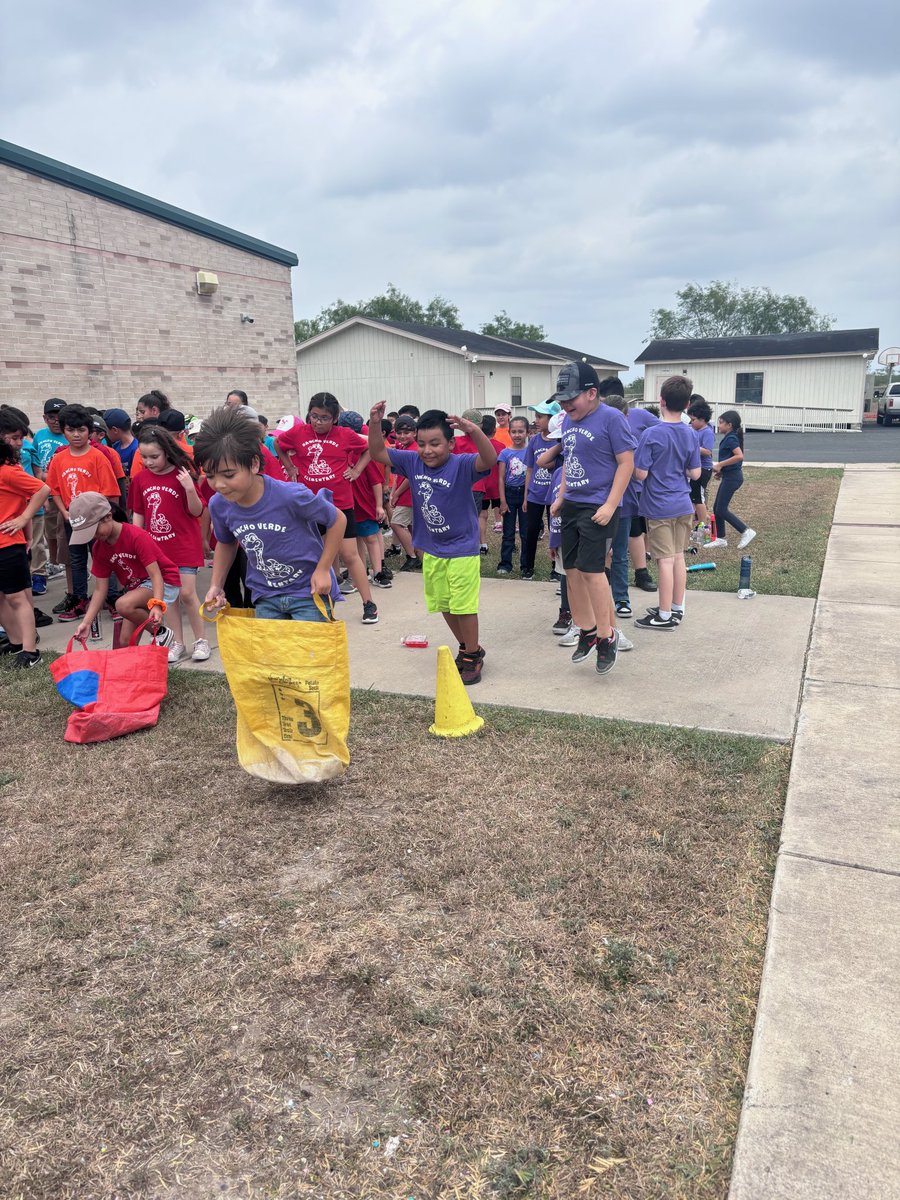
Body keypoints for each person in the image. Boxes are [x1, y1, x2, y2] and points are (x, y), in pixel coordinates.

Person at [368, 402, 497, 685]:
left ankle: (472, 655)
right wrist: (375, 423)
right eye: (422, 444)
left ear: (450, 443)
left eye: (435, 443)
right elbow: (377, 452)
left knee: (463, 605)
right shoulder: (413, 461)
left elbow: (489, 459)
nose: (427, 450)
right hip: (432, 548)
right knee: (444, 603)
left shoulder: (462, 465)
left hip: (463, 547)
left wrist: (473, 430)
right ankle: (468, 647)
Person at [193, 408, 345, 622]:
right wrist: (216, 585)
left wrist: (323, 569)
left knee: (309, 655)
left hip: (309, 593)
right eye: (210, 476)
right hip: (265, 596)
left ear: (254, 464)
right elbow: (226, 543)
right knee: (274, 655)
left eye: (229, 475)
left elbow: (337, 519)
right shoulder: (220, 504)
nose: (219, 484)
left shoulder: (290, 495)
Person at [549, 361, 636, 675]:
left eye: (571, 397)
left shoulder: (611, 418)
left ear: (592, 393)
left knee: (592, 570)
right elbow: (568, 462)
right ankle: (585, 629)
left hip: (599, 507)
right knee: (570, 569)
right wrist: (560, 497)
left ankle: (606, 634)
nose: (565, 404)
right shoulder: (570, 421)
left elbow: (626, 464)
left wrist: (611, 505)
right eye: (561, 399)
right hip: (572, 502)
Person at [275, 393, 378, 624]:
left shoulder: (345, 435)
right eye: (314, 416)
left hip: (340, 505)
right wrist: (290, 467)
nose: (318, 422)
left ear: (335, 418)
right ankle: (321, 605)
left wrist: (357, 470)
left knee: (349, 555)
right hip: (308, 505)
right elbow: (279, 445)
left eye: (324, 418)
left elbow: (369, 448)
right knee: (316, 556)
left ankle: (369, 603)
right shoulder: (298, 433)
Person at [129, 425, 209, 663]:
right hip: (157, 550)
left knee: (187, 593)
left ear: (166, 452)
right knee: (168, 597)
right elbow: (138, 515)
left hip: (184, 545)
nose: (149, 462)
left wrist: (189, 489)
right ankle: (177, 643)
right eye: (144, 457)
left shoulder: (183, 475)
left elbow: (197, 511)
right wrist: (137, 541)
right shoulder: (141, 479)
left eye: (154, 456)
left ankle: (201, 640)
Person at [67, 493, 181, 649]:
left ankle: (162, 633)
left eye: (93, 530)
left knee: (122, 604)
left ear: (107, 517)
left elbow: (156, 575)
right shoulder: (99, 548)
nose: (93, 536)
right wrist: (86, 622)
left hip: (164, 582)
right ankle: (139, 670)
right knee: (125, 642)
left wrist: (157, 604)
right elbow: (100, 589)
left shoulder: (136, 536)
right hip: (138, 588)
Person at [632, 375, 701, 630]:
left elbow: (640, 473)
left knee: (664, 560)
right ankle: (676, 607)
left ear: (661, 401)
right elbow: (695, 474)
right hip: (683, 503)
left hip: (659, 506)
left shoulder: (651, 434)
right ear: (686, 405)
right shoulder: (690, 434)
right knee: (678, 556)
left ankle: (662, 616)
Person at [44, 404, 121, 623]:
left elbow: (111, 493)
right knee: (76, 560)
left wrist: (107, 519)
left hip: (97, 520)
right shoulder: (59, 459)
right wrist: (64, 513)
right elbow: (55, 490)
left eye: (81, 430)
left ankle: (113, 597)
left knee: (104, 557)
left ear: (89, 430)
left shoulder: (98, 457)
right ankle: (80, 599)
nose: (76, 435)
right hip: (73, 519)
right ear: (64, 431)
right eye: (70, 430)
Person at [602, 387, 658, 617]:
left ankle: (621, 598)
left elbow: (636, 472)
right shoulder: (601, 436)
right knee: (603, 552)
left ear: (626, 417)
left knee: (620, 552)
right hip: (601, 502)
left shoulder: (630, 440)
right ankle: (602, 599)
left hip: (623, 503)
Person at [0, 425, 51, 667]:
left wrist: (23, 520)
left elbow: (42, 489)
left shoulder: (8, 472)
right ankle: (16, 643)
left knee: (16, 598)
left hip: (8, 545)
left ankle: (31, 653)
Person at [521, 399, 560, 579]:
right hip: (535, 494)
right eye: (535, 416)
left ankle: (556, 569)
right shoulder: (534, 441)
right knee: (531, 530)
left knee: (555, 530)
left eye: (540, 416)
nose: (536, 420)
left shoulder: (558, 441)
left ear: (552, 419)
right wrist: (526, 496)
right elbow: (530, 469)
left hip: (554, 495)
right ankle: (527, 566)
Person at [32, 398, 69, 582]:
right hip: (47, 490)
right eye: (51, 417)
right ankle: (54, 563)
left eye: (59, 417)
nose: (56, 421)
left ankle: (68, 562)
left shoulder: (69, 436)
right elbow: (36, 464)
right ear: (45, 418)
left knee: (64, 530)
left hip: (64, 491)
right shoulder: (39, 435)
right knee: (50, 530)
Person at [709, 411, 756, 550]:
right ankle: (720, 539)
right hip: (729, 476)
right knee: (717, 508)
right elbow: (731, 457)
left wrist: (720, 465)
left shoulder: (731, 438)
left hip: (733, 478)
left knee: (721, 509)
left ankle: (746, 531)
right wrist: (722, 472)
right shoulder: (729, 437)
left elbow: (739, 456)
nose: (718, 425)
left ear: (729, 425)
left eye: (721, 422)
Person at [496, 416, 529, 574]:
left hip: (525, 494)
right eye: (514, 431)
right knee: (508, 533)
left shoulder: (530, 452)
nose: (517, 435)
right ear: (509, 433)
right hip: (509, 494)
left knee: (525, 533)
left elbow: (530, 475)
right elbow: (501, 478)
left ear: (527, 433)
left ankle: (526, 566)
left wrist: (526, 498)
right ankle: (505, 564)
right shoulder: (504, 453)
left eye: (520, 431)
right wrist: (503, 501)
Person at [387, 415, 420, 570]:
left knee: (396, 523)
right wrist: (393, 492)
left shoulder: (414, 450)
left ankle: (412, 556)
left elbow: (410, 477)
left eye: (407, 432)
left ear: (415, 433)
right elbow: (398, 475)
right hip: (403, 494)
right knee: (413, 527)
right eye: (399, 433)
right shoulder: (402, 448)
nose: (402, 436)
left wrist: (398, 493)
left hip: (409, 495)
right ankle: (421, 557)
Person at [687, 397, 715, 528]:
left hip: (703, 469)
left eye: (693, 420)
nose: (691, 422)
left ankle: (703, 526)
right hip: (696, 468)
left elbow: (708, 451)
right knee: (694, 497)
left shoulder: (707, 432)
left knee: (699, 498)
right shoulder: (696, 431)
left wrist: (692, 447)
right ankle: (698, 523)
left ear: (702, 419)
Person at [477, 414, 505, 549]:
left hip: (481, 484)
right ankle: (507, 540)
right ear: (494, 430)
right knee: (502, 511)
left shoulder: (477, 445)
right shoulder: (501, 446)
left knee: (482, 515)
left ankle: (483, 544)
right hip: (497, 485)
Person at [103, 409, 139, 476]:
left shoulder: (137, 449)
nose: (106, 434)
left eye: (106, 430)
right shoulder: (115, 447)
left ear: (115, 430)